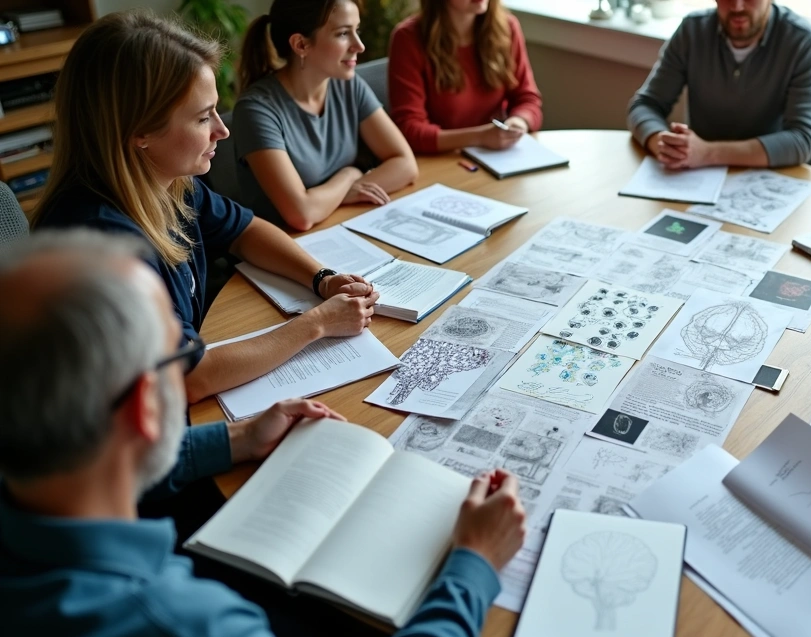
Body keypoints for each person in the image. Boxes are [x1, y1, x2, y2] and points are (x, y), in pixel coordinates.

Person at [0, 229, 528, 637]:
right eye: (182, 356)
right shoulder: (185, 623)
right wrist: (474, 565)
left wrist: (234, 439)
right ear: (145, 406)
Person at [34, 10, 379, 403]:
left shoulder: (168, 182)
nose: (222, 129)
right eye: (202, 118)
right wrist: (317, 323)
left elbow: (245, 230)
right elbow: (189, 378)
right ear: (141, 132)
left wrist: (322, 279)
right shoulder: (103, 242)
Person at [235, 0, 418, 230]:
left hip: (338, 225)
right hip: (286, 247)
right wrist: (349, 175)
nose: (359, 46)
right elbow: (301, 214)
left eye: (356, 30)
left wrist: (331, 198)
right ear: (301, 44)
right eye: (343, 34)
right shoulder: (256, 110)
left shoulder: (348, 85)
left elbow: (405, 165)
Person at [626, 0, 811, 169]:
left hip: (766, 179)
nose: (737, 6)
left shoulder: (804, 42)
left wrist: (708, 153)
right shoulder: (692, 31)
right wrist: (663, 143)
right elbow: (645, 105)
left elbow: (802, 140)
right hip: (693, 176)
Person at [388, 0, 543, 154]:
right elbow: (410, 130)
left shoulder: (507, 27)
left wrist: (518, 121)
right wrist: (480, 137)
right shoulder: (408, 38)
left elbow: (527, 98)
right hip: (439, 161)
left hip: (496, 156)